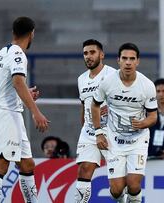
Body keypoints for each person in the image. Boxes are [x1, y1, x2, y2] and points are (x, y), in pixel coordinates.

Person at [0, 16, 49, 203]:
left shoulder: (2, 52)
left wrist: (25, 94)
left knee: (27, 164)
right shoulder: (18, 54)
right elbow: (17, 81)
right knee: (0, 166)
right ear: (32, 34)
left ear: (14, 32)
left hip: (11, 113)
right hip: (7, 115)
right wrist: (35, 111)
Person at [91, 42, 157, 203]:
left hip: (138, 140)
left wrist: (143, 123)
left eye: (132, 59)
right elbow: (95, 105)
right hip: (114, 141)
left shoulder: (147, 85)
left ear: (137, 61)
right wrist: (99, 132)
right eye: (124, 58)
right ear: (118, 60)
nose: (128, 62)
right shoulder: (107, 82)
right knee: (116, 189)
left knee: (134, 184)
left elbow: (153, 116)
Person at [74, 39, 116, 203]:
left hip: (111, 131)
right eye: (85, 53)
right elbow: (84, 105)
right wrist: (84, 126)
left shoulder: (112, 74)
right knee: (84, 169)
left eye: (92, 52)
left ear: (102, 54)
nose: (88, 56)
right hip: (89, 132)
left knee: (117, 181)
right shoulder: (81, 79)